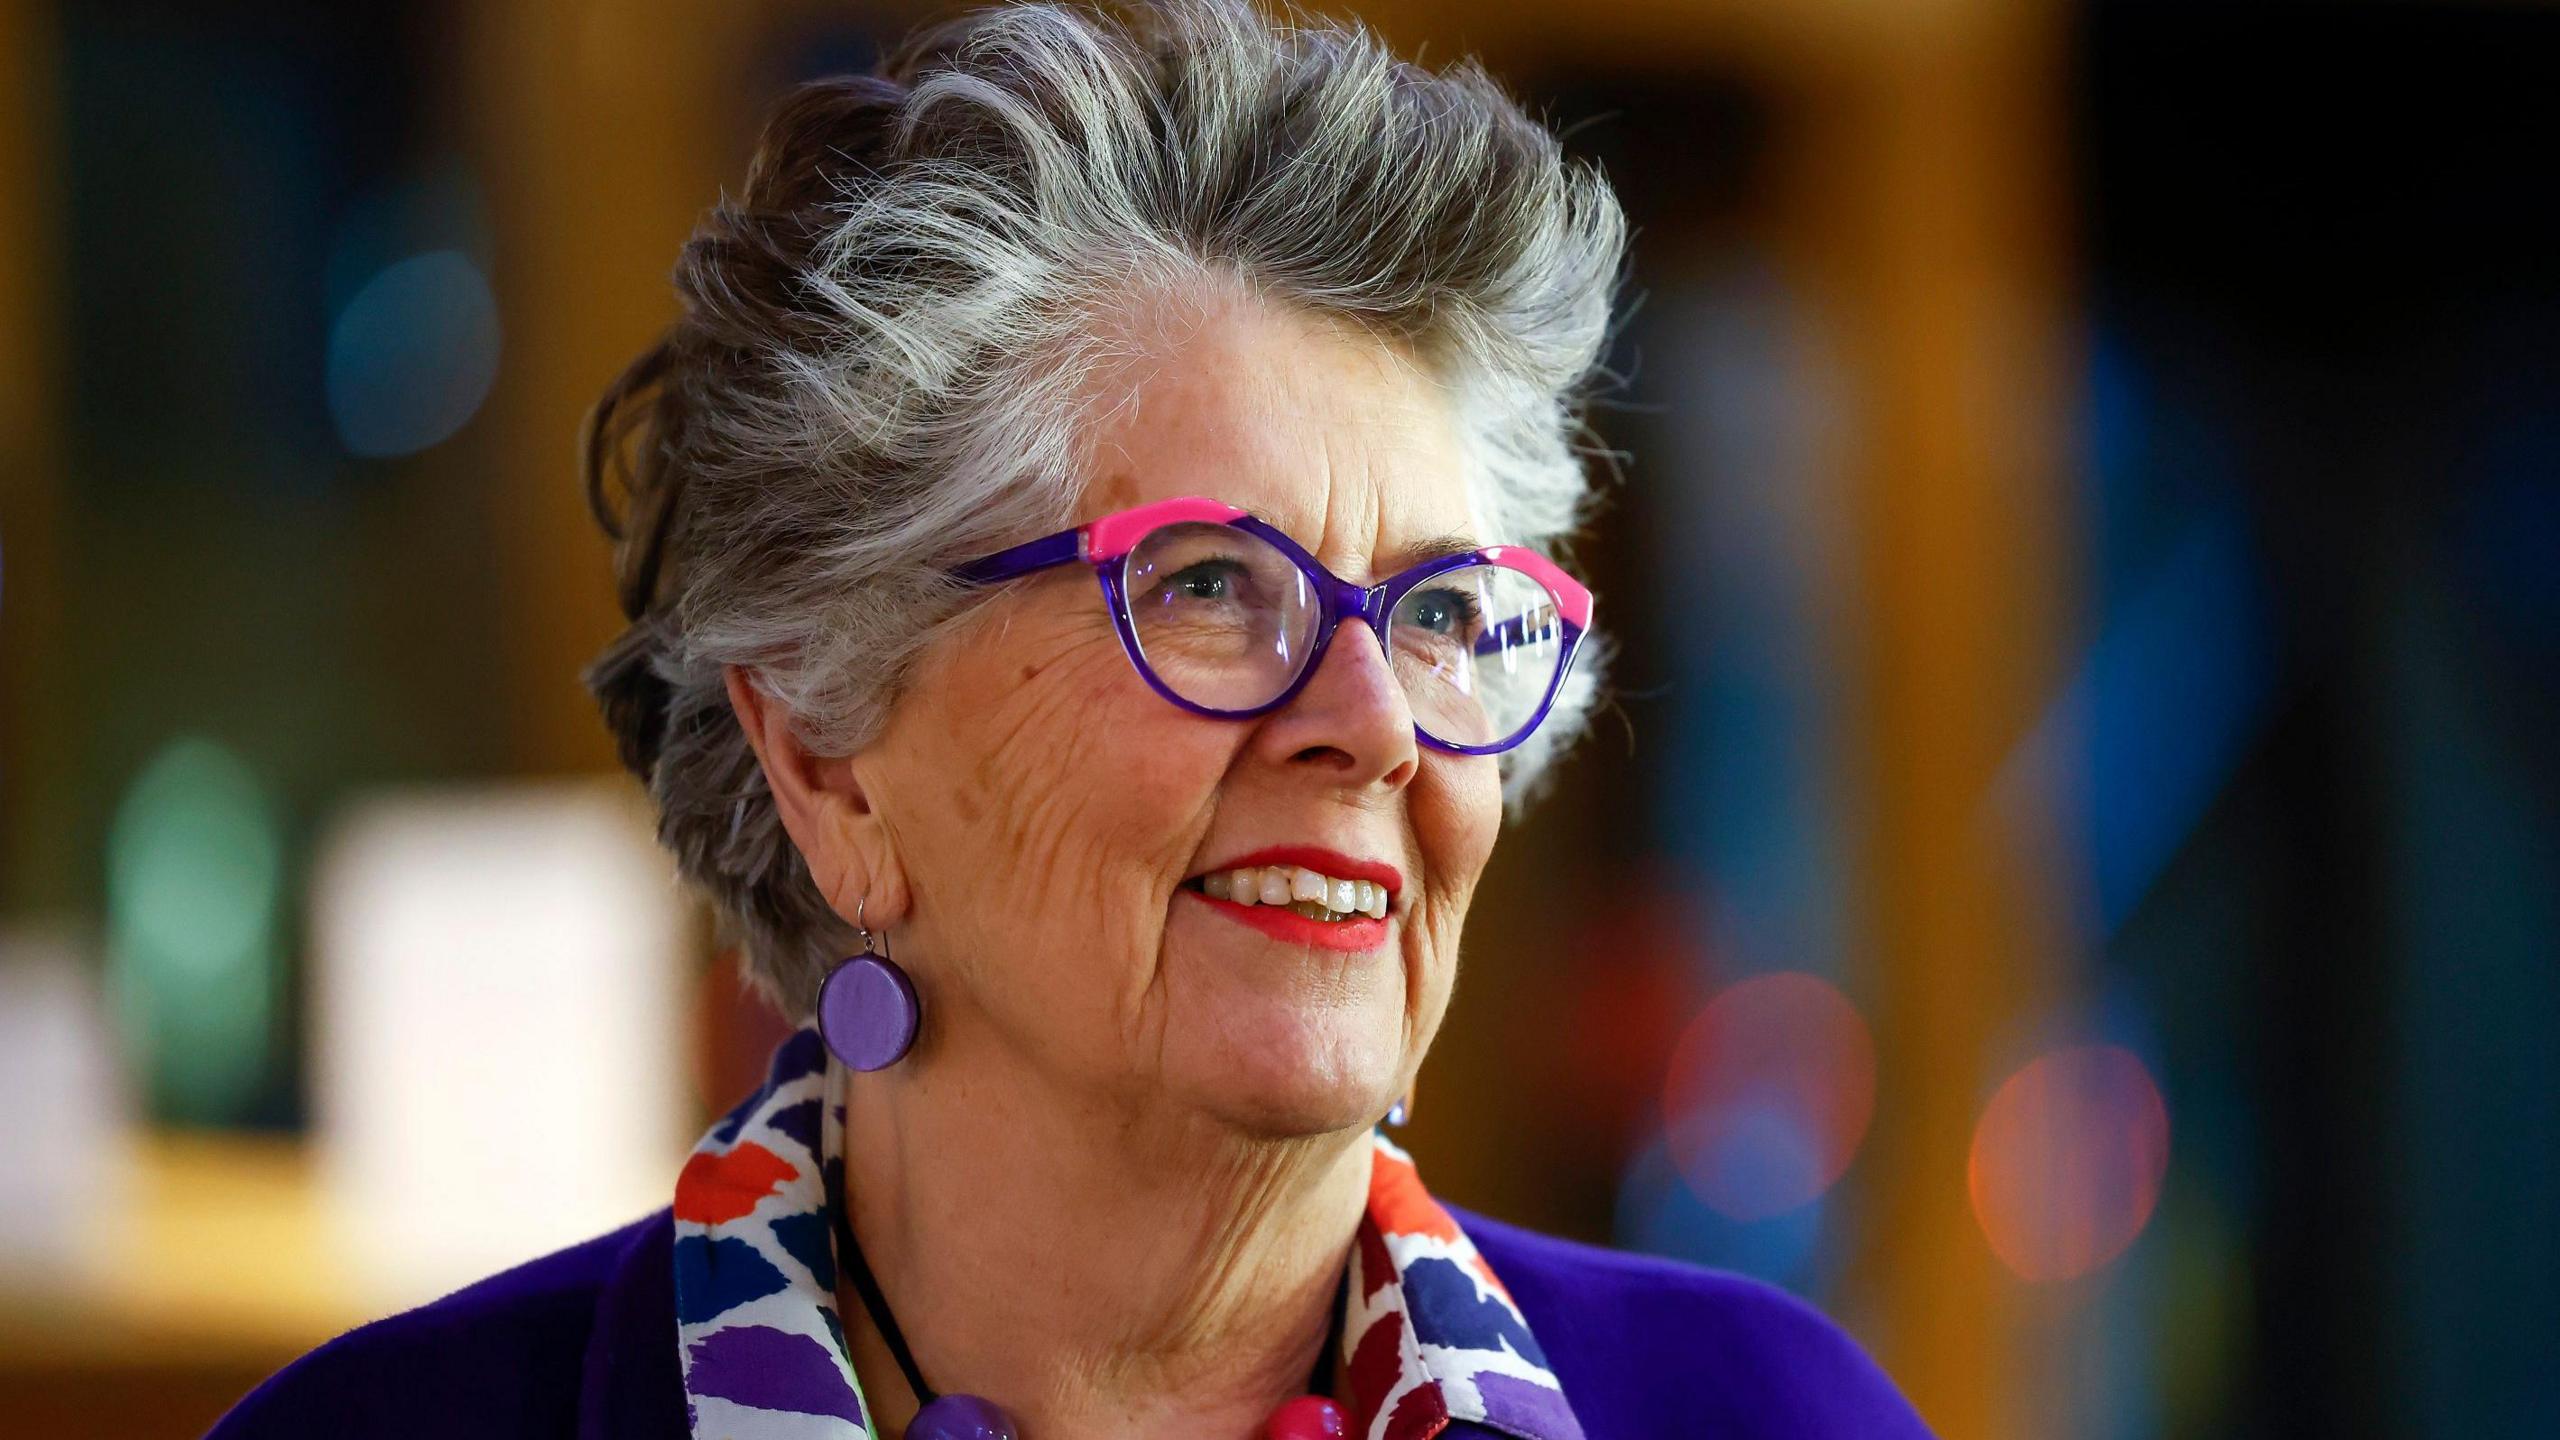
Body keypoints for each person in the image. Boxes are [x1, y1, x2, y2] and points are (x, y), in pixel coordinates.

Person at [210, 2, 1931, 1436]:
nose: (1373, 726)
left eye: (1434, 614)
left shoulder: (1767, 1411)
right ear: (826, 757)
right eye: (1201, 584)